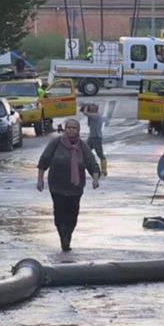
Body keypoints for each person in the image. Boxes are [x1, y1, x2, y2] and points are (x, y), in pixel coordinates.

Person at [37, 118, 101, 251]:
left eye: (74, 128)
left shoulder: (83, 146)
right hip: (57, 186)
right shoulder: (56, 143)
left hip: (75, 189)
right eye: (69, 128)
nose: (71, 130)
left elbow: (92, 164)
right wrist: (40, 179)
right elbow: (44, 160)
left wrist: (95, 179)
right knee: (59, 213)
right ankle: (63, 238)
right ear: (65, 130)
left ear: (78, 130)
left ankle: (68, 234)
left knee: (72, 215)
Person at [82, 102, 108, 176]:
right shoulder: (93, 116)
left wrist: (86, 107)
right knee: (84, 151)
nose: (90, 108)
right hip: (91, 138)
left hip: (96, 138)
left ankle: (104, 170)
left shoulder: (96, 115)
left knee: (100, 155)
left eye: (92, 107)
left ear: (96, 109)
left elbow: (85, 113)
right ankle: (81, 167)